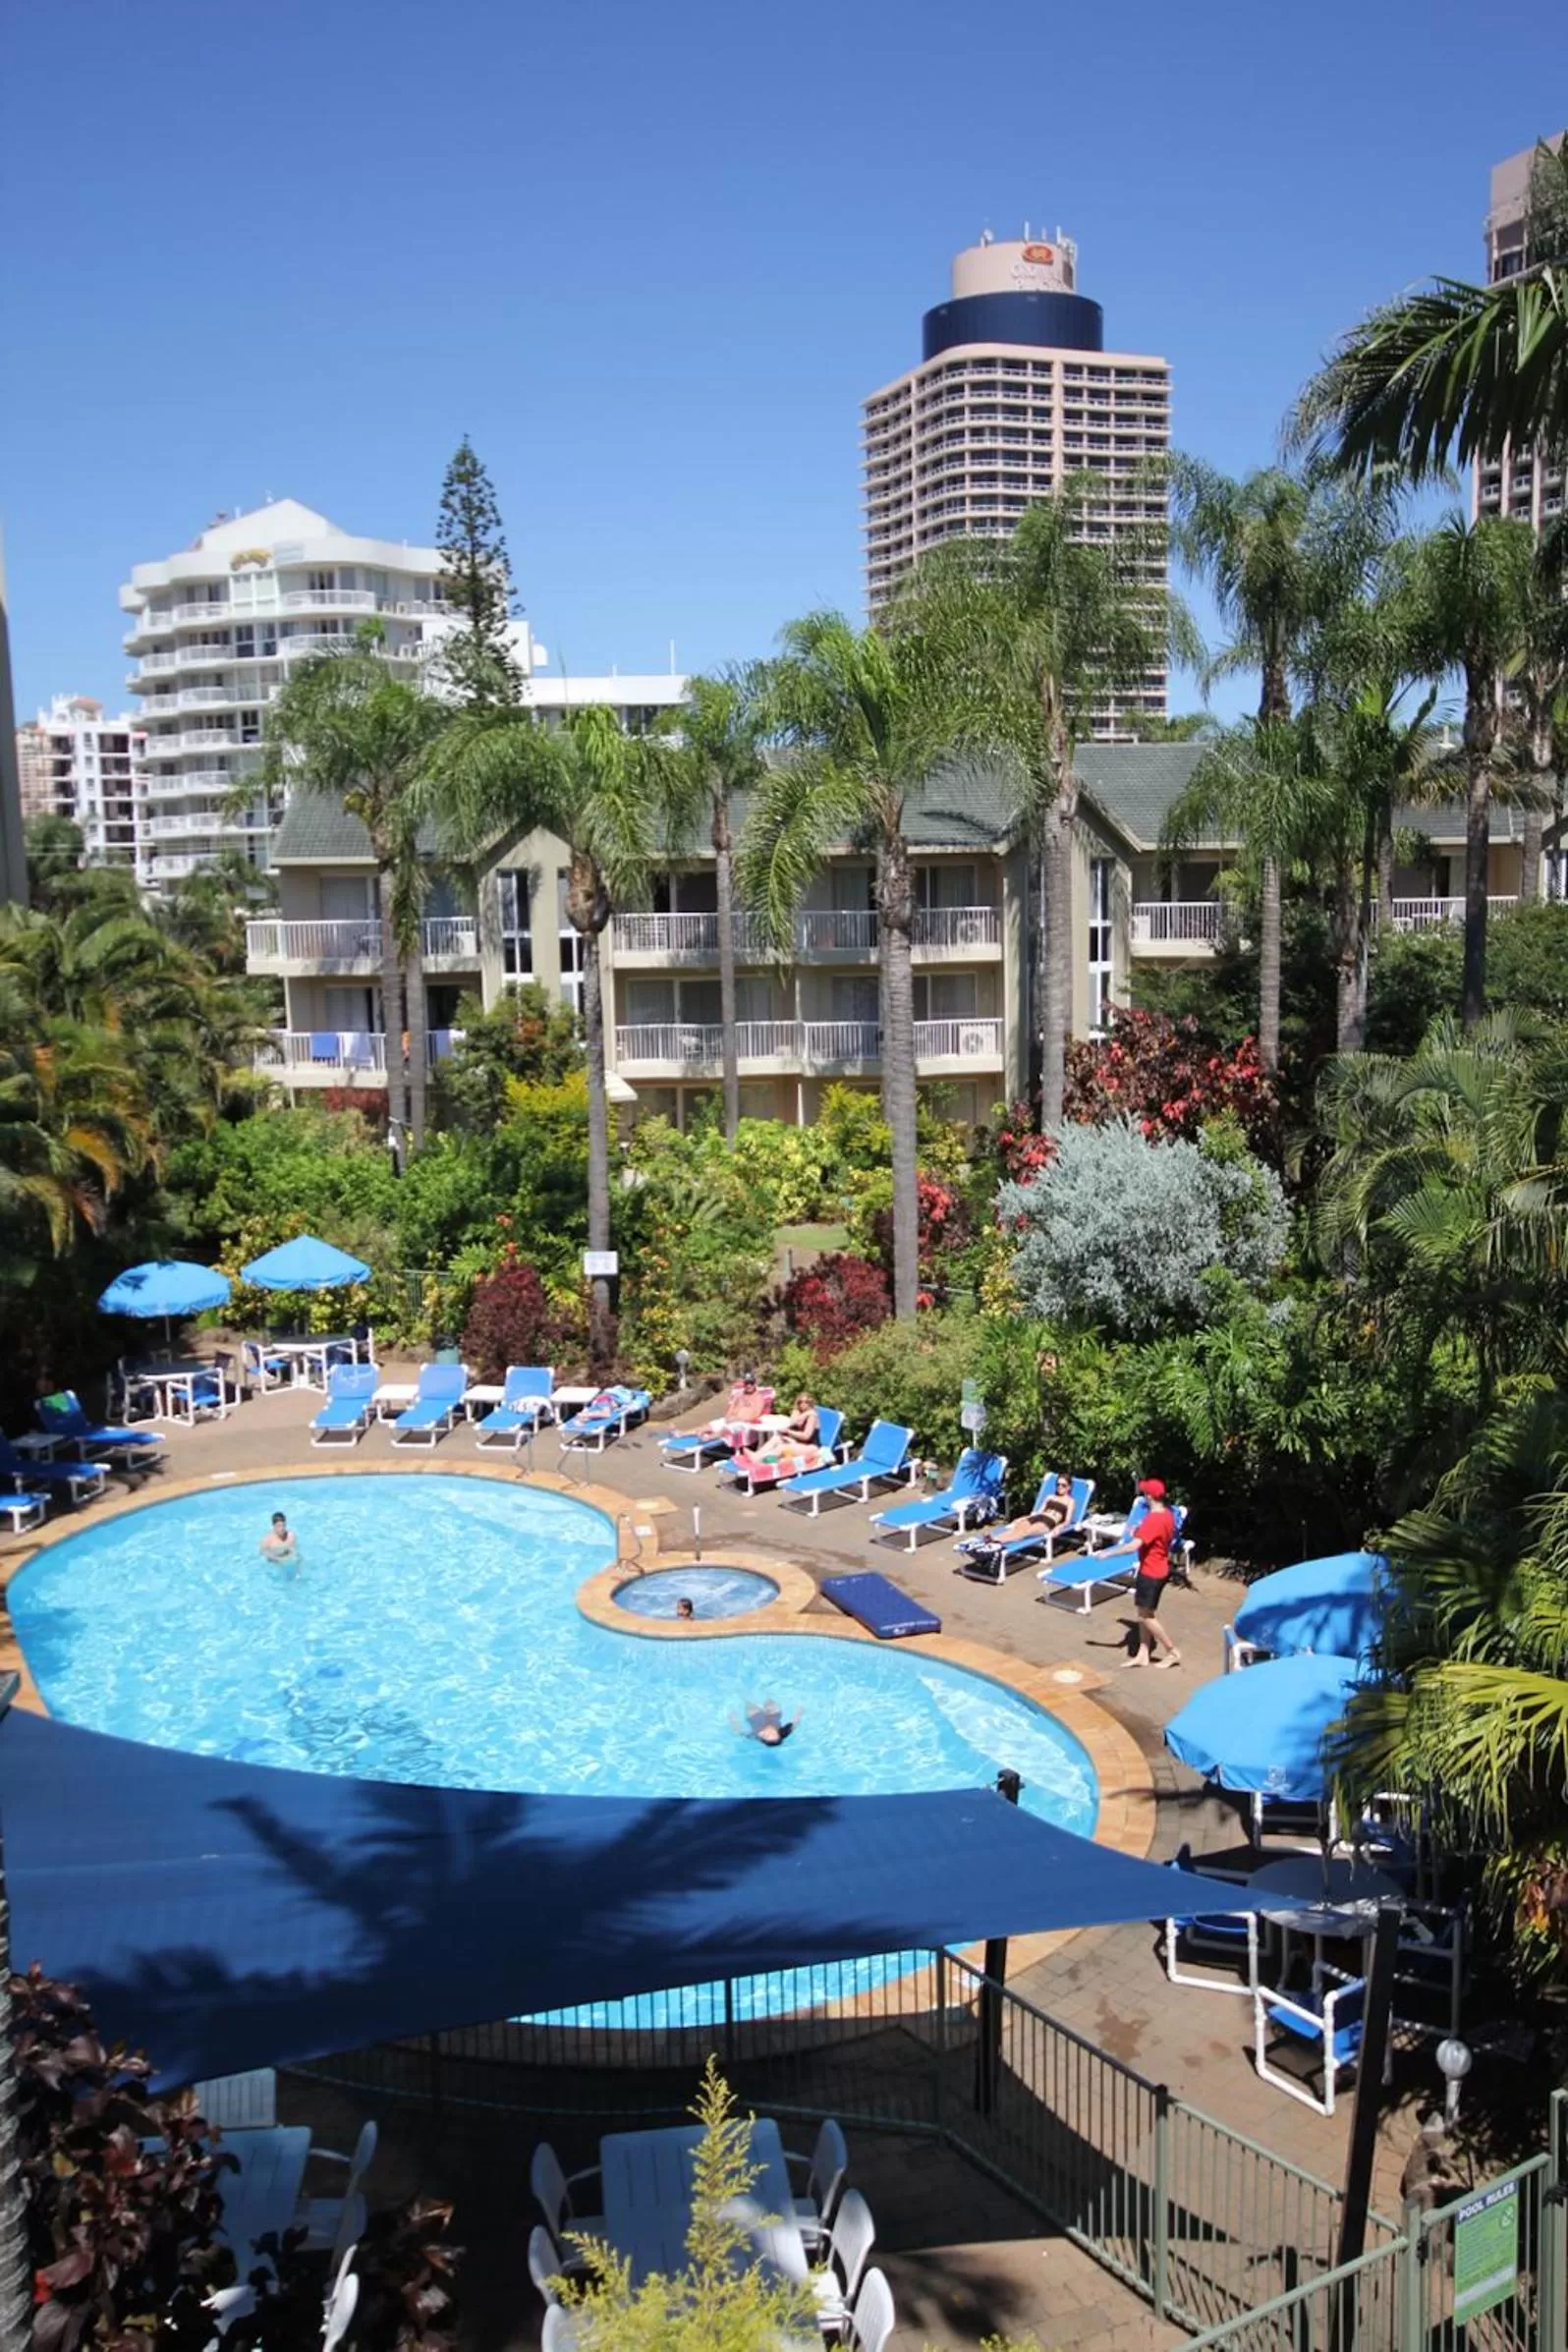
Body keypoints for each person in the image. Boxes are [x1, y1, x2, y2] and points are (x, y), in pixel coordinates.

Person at [1124, 1478, 1180, 1669]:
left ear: (1149, 1496)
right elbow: (1153, 1536)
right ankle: (1143, 1653)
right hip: (1160, 1567)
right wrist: (1137, 1530)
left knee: (1145, 1616)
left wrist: (1107, 1553)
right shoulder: (1167, 1515)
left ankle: (1172, 1651)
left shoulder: (1153, 1519)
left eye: (1144, 1493)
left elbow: (1134, 1545)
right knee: (1143, 1612)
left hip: (1151, 1572)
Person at [1400, 2107, 1461, 2214]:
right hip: (1418, 2185)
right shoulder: (1433, 2139)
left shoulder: (1423, 2138)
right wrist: (1455, 2165)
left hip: (1412, 2181)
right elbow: (1442, 2158)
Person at [732, 1698, 803, 1748]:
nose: (768, 1733)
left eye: (767, 1736)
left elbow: (740, 1733)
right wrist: (800, 1709)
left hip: (756, 1717)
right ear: (778, 1733)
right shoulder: (784, 1732)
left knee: (749, 1704)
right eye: (773, 1734)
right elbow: (795, 1723)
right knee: (772, 1705)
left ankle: (746, 1698)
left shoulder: (757, 1735)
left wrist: (733, 1720)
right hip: (773, 1716)